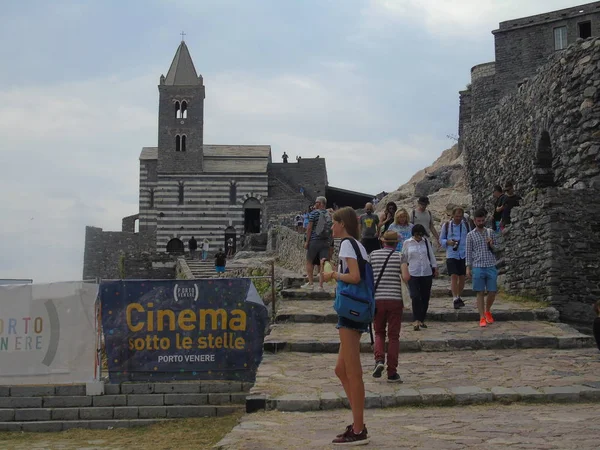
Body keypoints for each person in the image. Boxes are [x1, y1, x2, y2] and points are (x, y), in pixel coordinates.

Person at [320, 207, 369, 445]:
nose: (332, 227)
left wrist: (333, 276)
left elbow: (355, 276)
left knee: (353, 371)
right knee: (341, 370)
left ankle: (359, 429)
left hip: (350, 311)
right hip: (356, 309)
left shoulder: (348, 245)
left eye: (334, 223)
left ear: (343, 224)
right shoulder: (358, 245)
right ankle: (357, 421)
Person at [370, 231, 405, 383]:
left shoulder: (372, 255)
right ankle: (392, 372)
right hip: (395, 299)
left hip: (377, 299)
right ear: (396, 243)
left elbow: (367, 276)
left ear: (383, 241)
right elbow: (407, 277)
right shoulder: (400, 256)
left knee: (378, 332)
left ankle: (379, 361)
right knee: (394, 336)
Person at [466, 208, 499, 327]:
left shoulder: (490, 232)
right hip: (478, 266)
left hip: (490, 264)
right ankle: (481, 317)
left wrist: (492, 244)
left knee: (492, 291)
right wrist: (468, 267)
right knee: (479, 292)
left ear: (485, 220)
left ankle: (488, 310)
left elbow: (498, 249)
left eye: (482, 220)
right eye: (478, 220)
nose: (480, 222)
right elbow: (468, 252)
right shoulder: (470, 235)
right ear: (474, 221)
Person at [401, 224, 438, 331]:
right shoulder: (407, 243)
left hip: (426, 272)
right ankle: (415, 319)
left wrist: (435, 267)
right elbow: (404, 258)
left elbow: (431, 255)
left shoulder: (426, 242)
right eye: (417, 235)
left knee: (425, 297)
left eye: (421, 235)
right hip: (413, 273)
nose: (419, 237)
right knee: (415, 296)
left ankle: (421, 319)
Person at [440, 207, 468, 310]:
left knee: (462, 277)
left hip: (463, 253)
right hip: (451, 253)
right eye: (456, 216)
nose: (458, 218)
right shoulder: (446, 226)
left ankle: (458, 296)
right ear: (452, 215)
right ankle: (455, 298)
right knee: (454, 276)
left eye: (460, 216)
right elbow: (441, 239)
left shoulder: (465, 225)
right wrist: (448, 242)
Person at [302, 196, 331, 291]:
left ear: (320, 203)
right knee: (322, 264)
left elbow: (309, 228)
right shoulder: (328, 214)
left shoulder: (314, 213)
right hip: (325, 242)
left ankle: (310, 284)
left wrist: (307, 241)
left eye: (316, 202)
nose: (315, 204)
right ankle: (321, 286)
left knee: (309, 262)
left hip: (314, 241)